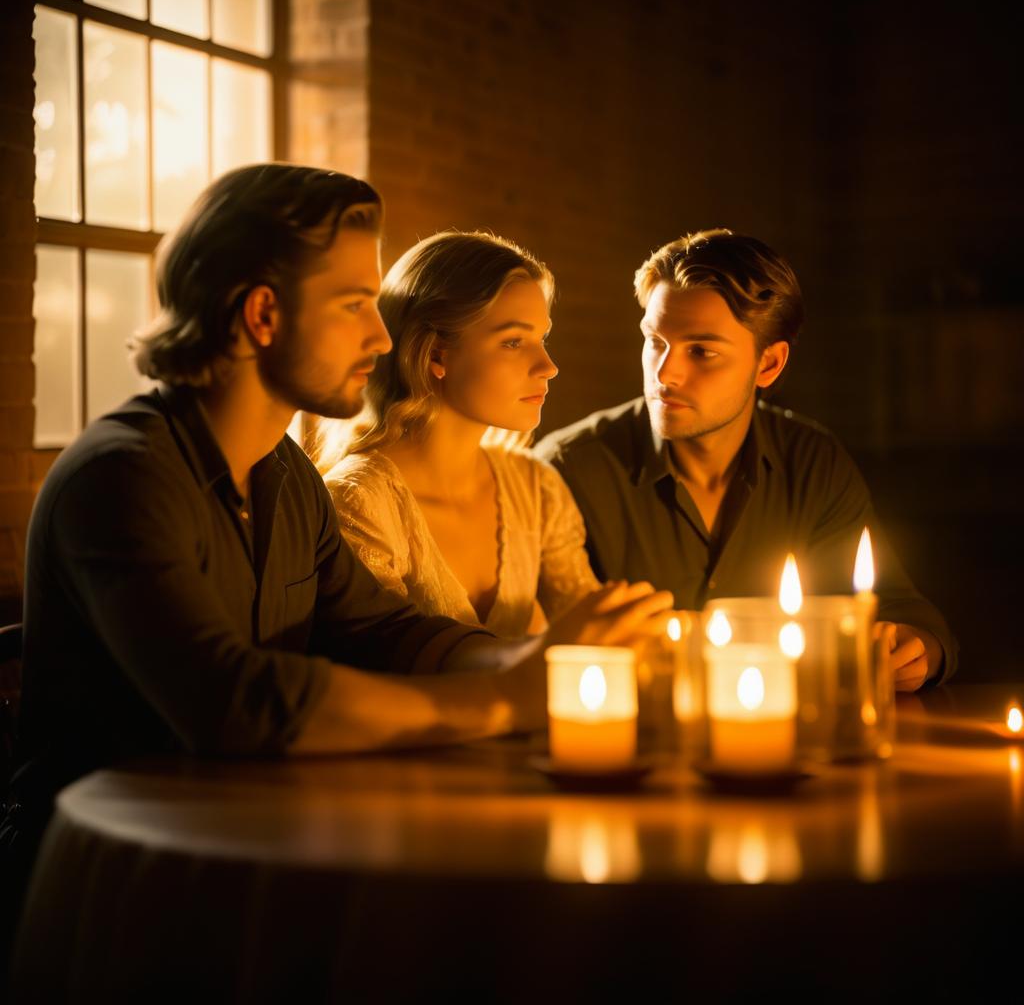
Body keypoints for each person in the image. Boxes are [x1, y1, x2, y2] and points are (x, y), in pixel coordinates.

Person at [1, 166, 670, 936]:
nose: (383, 336)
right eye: (356, 304)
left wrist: (536, 664)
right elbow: (238, 704)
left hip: (241, 848)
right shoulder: (120, 476)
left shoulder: (285, 474)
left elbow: (384, 631)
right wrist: (497, 699)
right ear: (262, 314)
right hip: (111, 886)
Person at [534, 228, 957, 691]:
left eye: (701, 351)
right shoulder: (568, 469)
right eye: (655, 340)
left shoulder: (811, 462)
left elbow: (898, 608)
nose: (665, 373)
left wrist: (917, 648)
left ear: (769, 365)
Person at [315, 231, 601, 639]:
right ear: (435, 355)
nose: (548, 366)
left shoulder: (534, 487)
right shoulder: (359, 502)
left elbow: (588, 628)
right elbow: (384, 658)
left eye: (542, 339)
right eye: (514, 341)